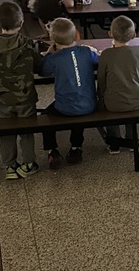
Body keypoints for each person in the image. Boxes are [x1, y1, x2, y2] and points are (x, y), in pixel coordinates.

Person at [0, 1, 43, 180]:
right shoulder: (26, 43)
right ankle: (28, 163)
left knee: (6, 130)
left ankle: (9, 166)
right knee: (26, 129)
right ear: (22, 23)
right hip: (25, 95)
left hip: (1, 97)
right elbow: (38, 65)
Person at [39, 17, 100, 169]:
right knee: (78, 108)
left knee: (45, 116)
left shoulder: (55, 58)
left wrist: (48, 53)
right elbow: (98, 60)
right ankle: (76, 147)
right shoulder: (86, 52)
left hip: (64, 108)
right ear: (76, 35)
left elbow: (42, 70)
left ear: (53, 39)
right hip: (89, 104)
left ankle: (52, 149)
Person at [97, 15, 139, 153]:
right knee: (131, 102)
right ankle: (132, 139)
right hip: (134, 102)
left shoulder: (106, 55)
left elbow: (101, 81)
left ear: (110, 34)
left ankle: (114, 144)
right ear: (133, 35)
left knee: (111, 104)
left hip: (111, 104)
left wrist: (100, 101)